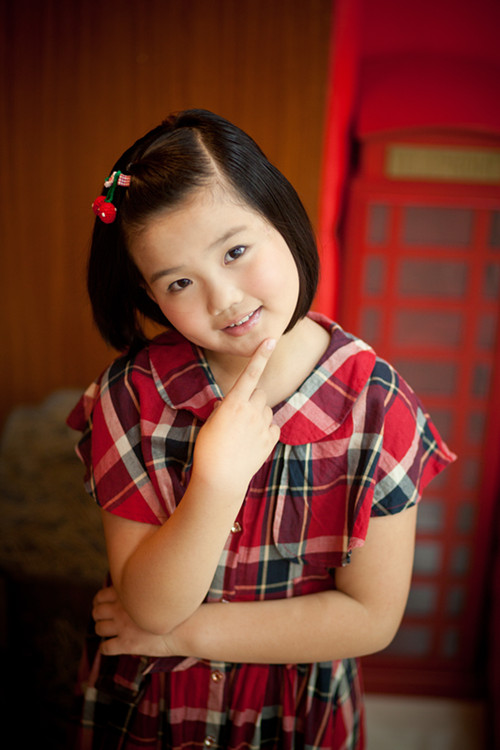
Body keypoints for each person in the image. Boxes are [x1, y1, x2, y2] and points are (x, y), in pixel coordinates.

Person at [67, 108, 456, 749]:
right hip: (155, 709)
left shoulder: (378, 406)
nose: (223, 299)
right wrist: (216, 483)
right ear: (150, 295)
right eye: (180, 282)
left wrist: (183, 635)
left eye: (236, 251)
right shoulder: (131, 396)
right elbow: (149, 605)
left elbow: (370, 619)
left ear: (284, 219)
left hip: (295, 712)